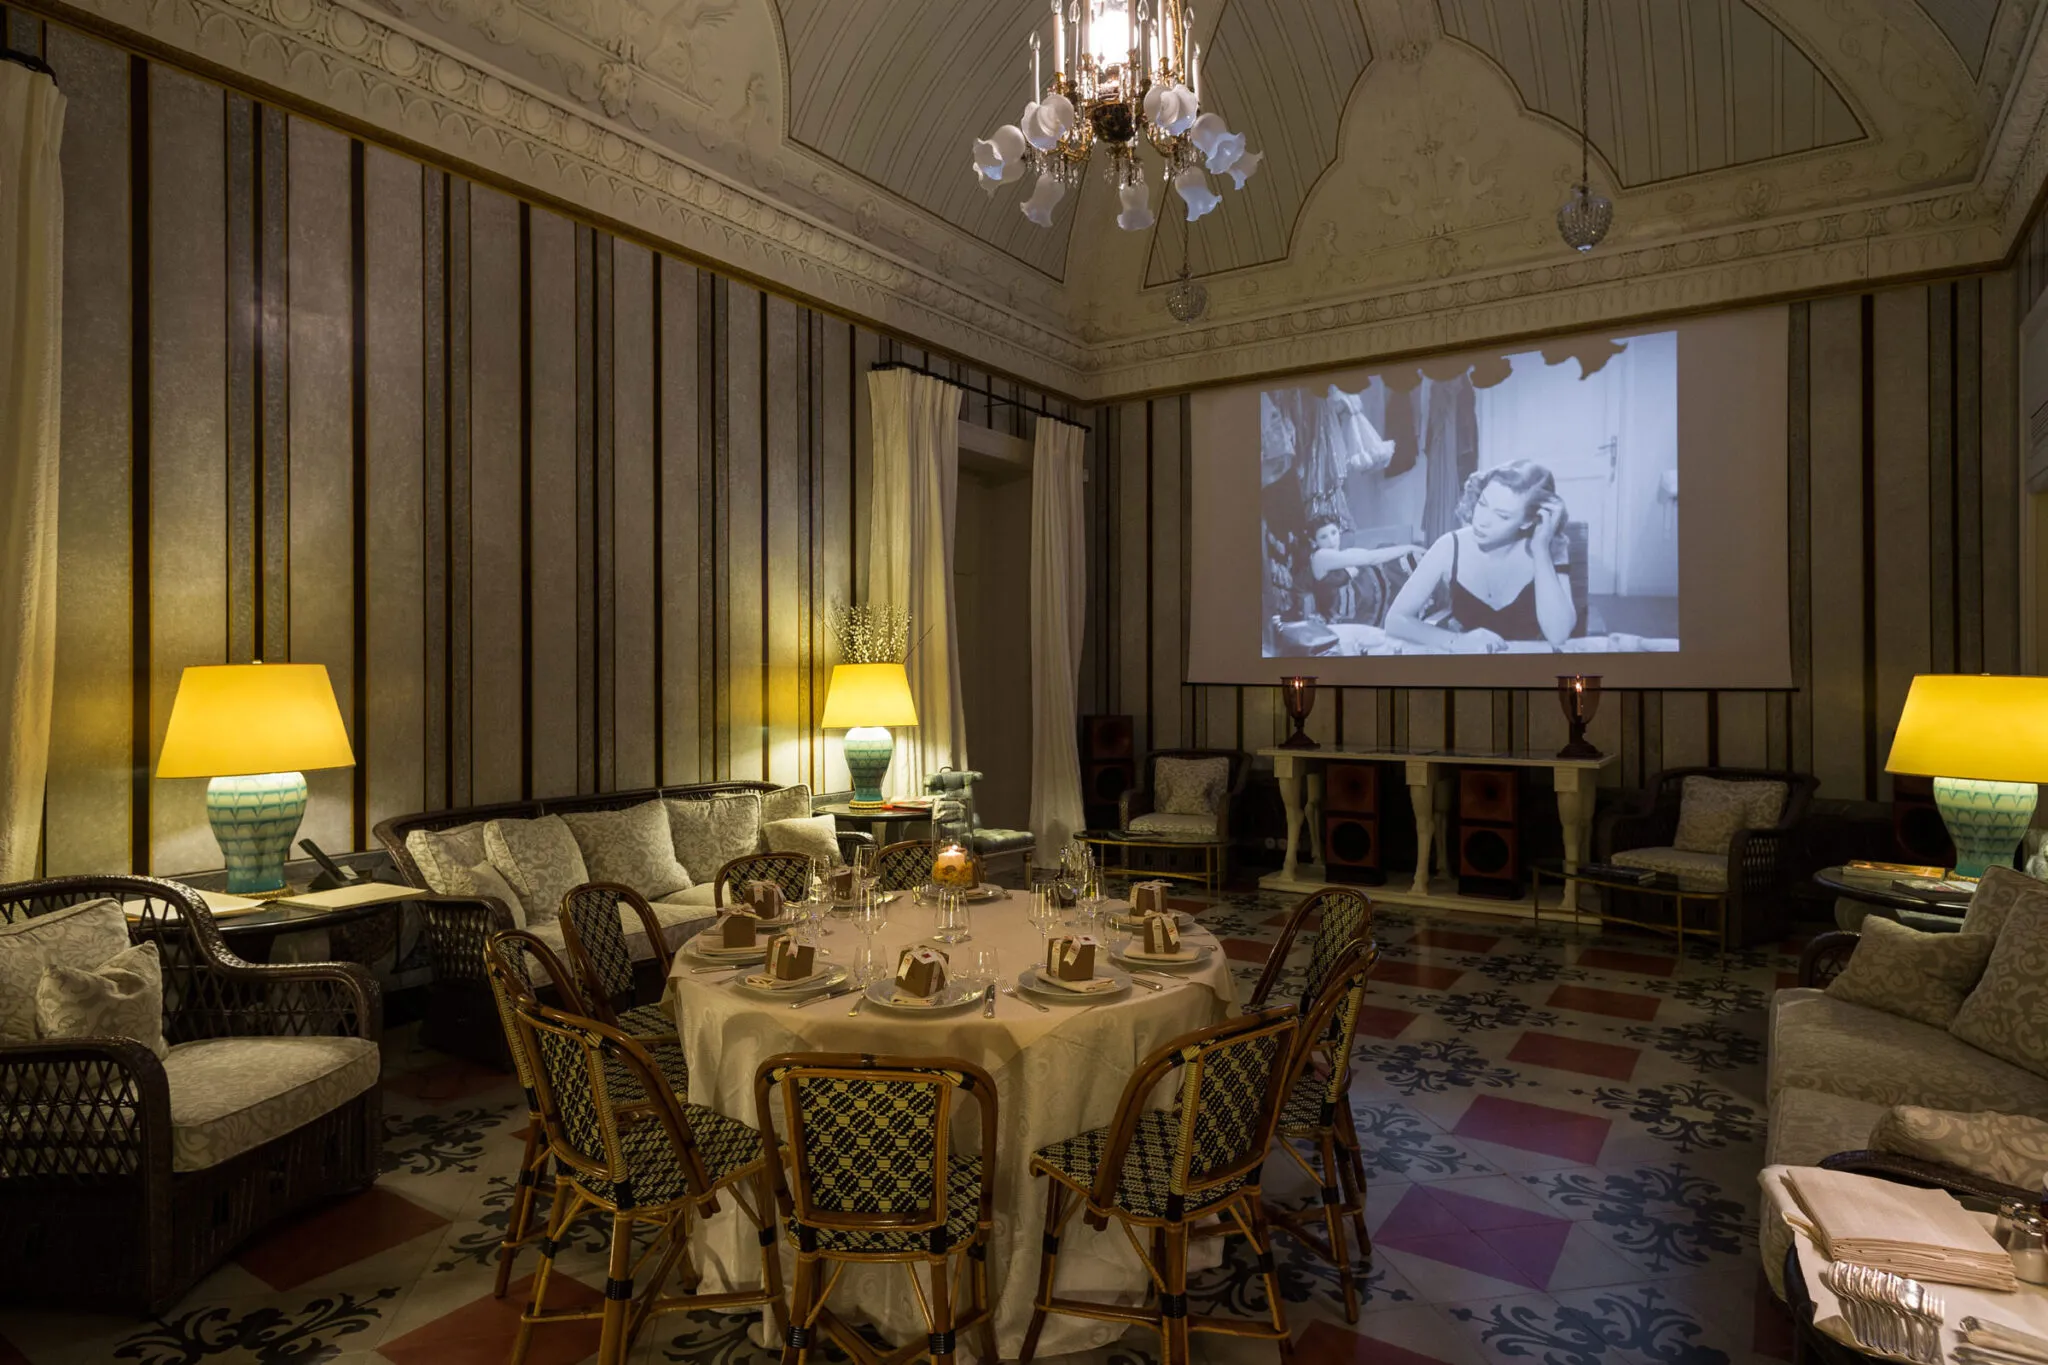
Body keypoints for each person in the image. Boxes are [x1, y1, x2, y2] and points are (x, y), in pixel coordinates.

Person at [1384, 461, 1575, 651]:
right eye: (1483, 504)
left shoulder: (1550, 548)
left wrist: (1541, 551)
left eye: (1502, 516)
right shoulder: (1449, 546)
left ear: (1528, 521)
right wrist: (1457, 641)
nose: (1482, 521)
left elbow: (1558, 635)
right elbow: (1395, 620)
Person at [1307, 517, 1422, 622]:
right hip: (1342, 620)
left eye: (1333, 533)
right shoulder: (1320, 556)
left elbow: (1374, 555)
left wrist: (1407, 549)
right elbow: (1370, 558)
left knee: (1386, 555)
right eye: (1323, 537)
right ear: (1314, 542)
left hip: (1361, 611)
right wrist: (1409, 547)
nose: (1331, 541)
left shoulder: (1343, 554)